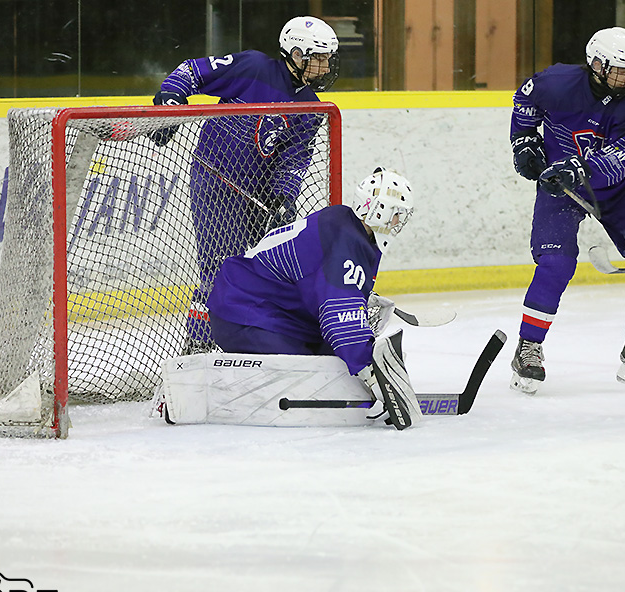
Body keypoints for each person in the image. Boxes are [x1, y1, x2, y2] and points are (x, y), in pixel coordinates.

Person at [151, 16, 340, 352]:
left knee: (267, 273)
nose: (326, 68)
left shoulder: (310, 105)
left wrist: (283, 198)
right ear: (297, 55)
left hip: (259, 197)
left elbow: (294, 157)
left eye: (328, 59)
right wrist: (170, 104)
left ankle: (252, 341)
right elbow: (191, 72)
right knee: (221, 267)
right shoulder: (253, 67)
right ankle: (198, 345)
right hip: (215, 180)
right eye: (320, 59)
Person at [509, 26, 625, 394]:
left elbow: (619, 158)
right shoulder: (556, 83)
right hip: (560, 189)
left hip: (615, 189)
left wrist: (579, 168)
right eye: (618, 70)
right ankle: (528, 347)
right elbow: (524, 102)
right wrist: (524, 141)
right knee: (556, 264)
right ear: (596, 64)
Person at [205, 167, 422, 428]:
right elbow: (339, 320)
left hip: (267, 309)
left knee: (332, 363)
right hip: (243, 313)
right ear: (379, 211)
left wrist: (360, 295)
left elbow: (317, 281)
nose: (398, 221)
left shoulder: (345, 225)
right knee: (315, 374)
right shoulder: (345, 241)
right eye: (396, 213)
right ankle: (225, 390)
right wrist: (372, 374)